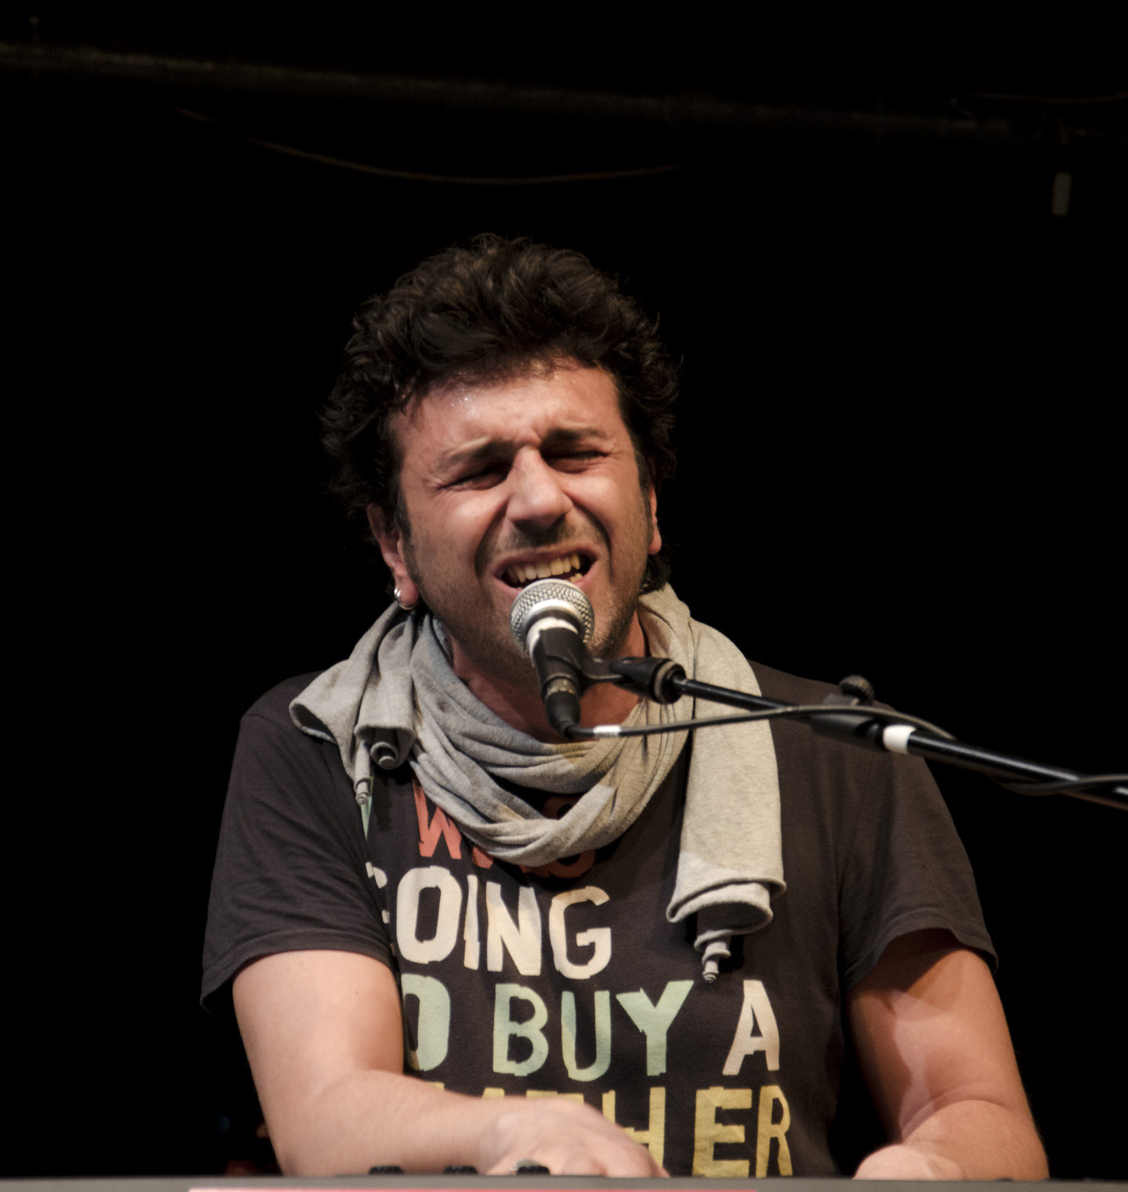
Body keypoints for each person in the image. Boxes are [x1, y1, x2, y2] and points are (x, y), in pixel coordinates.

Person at [202, 235, 1046, 1179]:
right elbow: (325, 1114)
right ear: (395, 544)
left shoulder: (835, 751)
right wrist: (514, 1135)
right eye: (480, 470)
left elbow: (977, 1112)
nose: (538, 499)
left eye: (575, 453)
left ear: (648, 500)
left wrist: (932, 1172)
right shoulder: (316, 747)